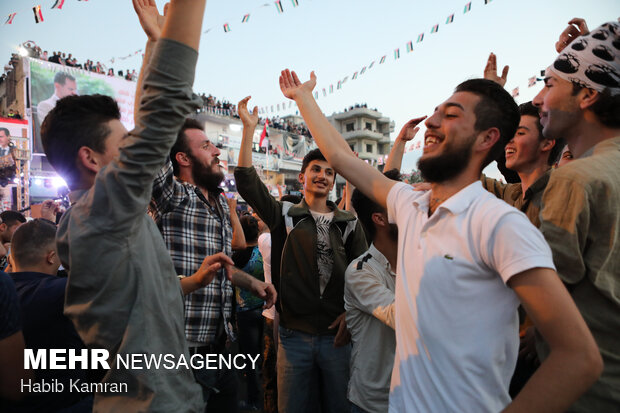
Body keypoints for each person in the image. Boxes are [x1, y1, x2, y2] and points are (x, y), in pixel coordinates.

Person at [278, 69, 602, 412]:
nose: (432, 122)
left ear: (486, 138)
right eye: (436, 112)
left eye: (450, 115)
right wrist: (304, 98)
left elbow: (578, 357)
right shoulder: (409, 204)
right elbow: (341, 158)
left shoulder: (499, 223)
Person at [39, 0, 234, 411]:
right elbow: (160, 114)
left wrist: (190, 284)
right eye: (124, 146)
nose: (136, 152)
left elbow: (136, 302)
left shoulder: (99, 216)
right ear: (91, 159)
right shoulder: (102, 211)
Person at [235, 96, 368, 413]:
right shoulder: (283, 215)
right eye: (315, 170)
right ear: (303, 178)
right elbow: (246, 181)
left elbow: (364, 271)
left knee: (338, 407)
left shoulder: (348, 222)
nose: (323, 175)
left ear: (334, 182)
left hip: (337, 338)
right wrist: (248, 130)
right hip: (293, 338)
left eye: (329, 172)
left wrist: (351, 314)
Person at [533, 19, 620, 412]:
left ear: (587, 96)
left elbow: (538, 297)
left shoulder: (576, 181)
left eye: (549, 85)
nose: (538, 100)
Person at [7, 219, 92, 412]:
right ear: (52, 257)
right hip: (61, 402)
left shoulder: (5, 292)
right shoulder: (64, 291)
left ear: (12, 258)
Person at [345, 169, 401, 413]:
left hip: (415, 397)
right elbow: (406, 318)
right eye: (402, 203)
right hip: (374, 403)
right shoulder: (360, 271)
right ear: (380, 219)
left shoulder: (419, 260)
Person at [233, 215, 266, 411]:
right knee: (263, 355)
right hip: (265, 308)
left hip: (244, 312)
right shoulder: (265, 251)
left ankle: (253, 400)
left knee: (250, 358)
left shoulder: (236, 257)